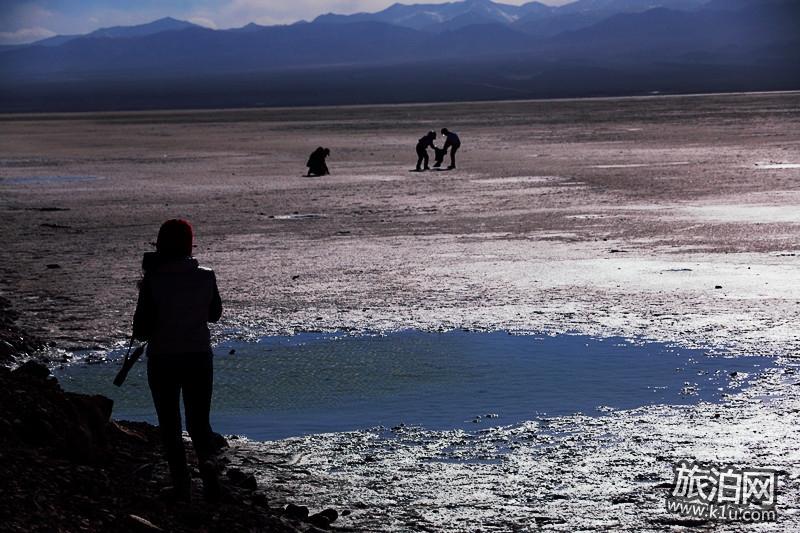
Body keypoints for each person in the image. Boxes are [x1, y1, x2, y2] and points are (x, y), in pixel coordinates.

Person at [133, 219, 223, 503]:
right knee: (199, 423)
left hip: (163, 358)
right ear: (189, 244)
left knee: (170, 425)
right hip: (198, 356)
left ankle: (182, 486)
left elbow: (141, 329)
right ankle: (211, 482)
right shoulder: (206, 276)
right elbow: (214, 315)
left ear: (160, 245)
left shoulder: (153, 280)